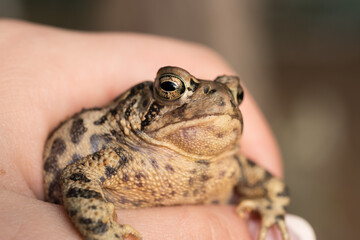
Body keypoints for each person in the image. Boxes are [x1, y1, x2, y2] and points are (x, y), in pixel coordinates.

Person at [0, 19, 315, 240]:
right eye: (171, 87)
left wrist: (271, 209)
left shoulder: (233, 166)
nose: (222, 101)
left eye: (236, 95)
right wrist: (101, 230)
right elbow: (77, 178)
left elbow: (274, 189)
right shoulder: (122, 154)